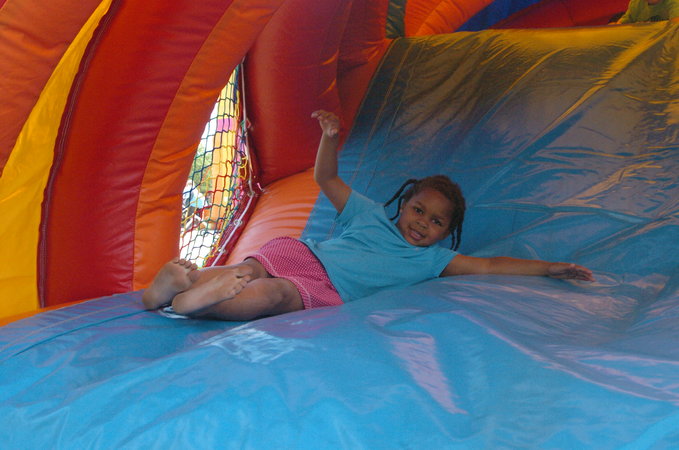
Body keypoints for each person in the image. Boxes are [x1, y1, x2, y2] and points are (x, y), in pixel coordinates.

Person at [142, 110, 595, 321]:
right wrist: (329, 138)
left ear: (447, 234)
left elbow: (492, 266)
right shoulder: (369, 214)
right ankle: (178, 292)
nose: (423, 223)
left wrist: (548, 268)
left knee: (273, 294)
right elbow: (326, 178)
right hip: (304, 255)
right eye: (419, 210)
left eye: (436, 222)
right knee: (246, 271)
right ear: (404, 205)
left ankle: (184, 298)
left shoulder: (433, 261)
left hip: (326, 288)